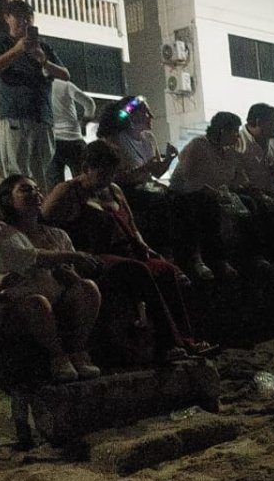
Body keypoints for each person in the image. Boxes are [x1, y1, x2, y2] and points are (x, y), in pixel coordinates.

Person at [42, 141, 213, 363]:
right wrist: (67, 260)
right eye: (103, 172)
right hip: (93, 256)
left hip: (126, 251)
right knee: (137, 271)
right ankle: (169, 343)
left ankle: (187, 338)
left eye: (112, 172)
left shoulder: (114, 190)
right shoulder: (67, 192)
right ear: (86, 168)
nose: (108, 178)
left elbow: (132, 227)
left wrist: (146, 249)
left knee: (165, 271)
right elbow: (44, 226)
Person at [0, 175, 102, 382]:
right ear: (7, 199)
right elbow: (28, 257)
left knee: (88, 288)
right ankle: (58, 356)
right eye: (25, 190)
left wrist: (69, 274)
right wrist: (71, 256)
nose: (35, 194)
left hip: (56, 299)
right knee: (37, 303)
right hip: (20, 304)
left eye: (37, 189)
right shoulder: (0, 232)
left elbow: (72, 276)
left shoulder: (57, 235)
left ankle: (78, 351)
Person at [0, 0, 71, 198]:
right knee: (18, 173)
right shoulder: (1, 42)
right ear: (8, 18)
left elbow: (65, 75)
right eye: (20, 18)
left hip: (43, 118)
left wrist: (43, 60)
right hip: (16, 116)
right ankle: (17, 215)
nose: (25, 23)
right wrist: (17, 50)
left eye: (28, 19)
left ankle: (38, 216)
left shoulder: (43, 47)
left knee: (41, 174)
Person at [169, 112, 244, 280]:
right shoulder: (198, 145)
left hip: (213, 194)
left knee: (248, 204)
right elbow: (187, 178)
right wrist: (211, 190)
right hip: (185, 195)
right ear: (223, 131)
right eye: (234, 131)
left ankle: (250, 257)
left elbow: (233, 180)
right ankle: (204, 259)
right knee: (206, 205)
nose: (238, 135)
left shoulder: (230, 153)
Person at [98, 96, 177, 255]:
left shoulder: (149, 138)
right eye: (146, 112)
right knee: (159, 203)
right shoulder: (116, 139)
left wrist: (169, 159)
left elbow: (156, 172)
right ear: (131, 115)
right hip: (127, 189)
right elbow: (113, 177)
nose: (151, 116)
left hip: (147, 187)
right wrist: (143, 169)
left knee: (177, 197)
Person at [231, 103, 274, 274]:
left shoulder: (273, 141)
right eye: (273, 121)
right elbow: (236, 175)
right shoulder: (239, 141)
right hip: (249, 191)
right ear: (259, 121)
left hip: (273, 191)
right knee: (266, 209)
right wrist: (259, 193)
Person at [48, 78, 96, 187]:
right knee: (83, 180)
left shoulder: (36, 86)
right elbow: (89, 103)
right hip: (73, 138)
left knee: (55, 184)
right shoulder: (64, 85)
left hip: (52, 141)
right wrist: (85, 121)